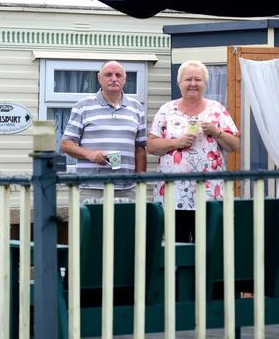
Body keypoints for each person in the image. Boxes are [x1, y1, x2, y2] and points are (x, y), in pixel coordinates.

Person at [147, 60, 240, 241]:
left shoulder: (217, 110)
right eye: (188, 79)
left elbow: (234, 146)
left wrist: (216, 131)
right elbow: (151, 146)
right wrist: (176, 143)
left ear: (205, 83)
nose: (193, 84)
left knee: (207, 246)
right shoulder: (167, 110)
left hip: (208, 194)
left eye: (198, 79)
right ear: (179, 83)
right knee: (176, 247)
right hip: (173, 193)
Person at [60, 61, 147, 201]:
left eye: (118, 75)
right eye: (108, 75)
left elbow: (140, 149)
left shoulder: (136, 108)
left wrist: (140, 183)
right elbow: (66, 144)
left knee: (127, 224)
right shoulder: (83, 106)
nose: (114, 79)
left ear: (124, 79)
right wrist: (90, 154)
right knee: (92, 223)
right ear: (99, 78)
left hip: (127, 189)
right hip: (91, 188)